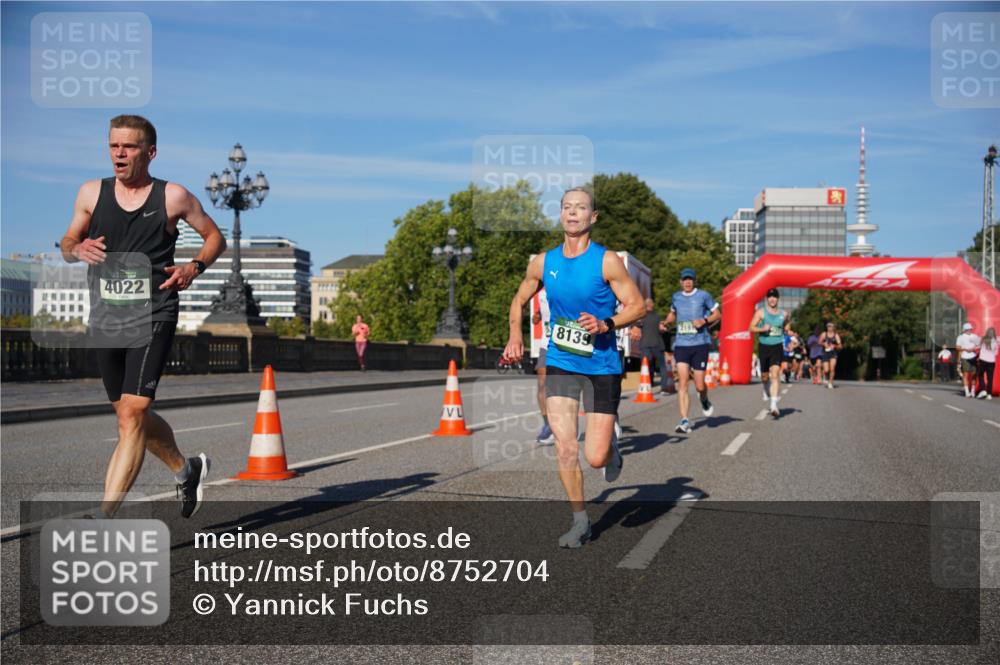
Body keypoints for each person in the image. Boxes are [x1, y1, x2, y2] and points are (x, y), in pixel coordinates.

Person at [60, 115, 224, 519]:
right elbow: (67, 240)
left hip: (155, 311)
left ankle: (104, 517)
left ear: (149, 152)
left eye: (129, 146)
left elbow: (214, 237)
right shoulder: (90, 193)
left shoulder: (173, 197)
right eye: (114, 145)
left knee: (133, 413)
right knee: (128, 413)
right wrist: (76, 249)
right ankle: (187, 470)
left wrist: (193, 267)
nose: (119, 153)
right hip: (106, 316)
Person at [503, 187, 644, 548]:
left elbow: (637, 306)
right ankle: (580, 520)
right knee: (565, 447)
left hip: (602, 364)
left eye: (581, 208)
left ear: (593, 217)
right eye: (567, 207)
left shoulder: (607, 261)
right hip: (563, 361)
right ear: (561, 215)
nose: (573, 213)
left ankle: (611, 447)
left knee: (595, 457)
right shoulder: (543, 262)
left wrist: (607, 324)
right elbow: (519, 299)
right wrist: (514, 336)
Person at [665, 268, 721, 433]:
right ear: (681, 282)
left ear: (694, 281)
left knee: (699, 385)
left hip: (700, 344)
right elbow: (672, 314)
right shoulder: (676, 297)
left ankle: (704, 399)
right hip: (681, 344)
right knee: (682, 383)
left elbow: (717, 314)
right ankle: (684, 420)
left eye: (690, 279)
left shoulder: (703, 295)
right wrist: (666, 322)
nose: (687, 282)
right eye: (685, 279)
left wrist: (704, 320)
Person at [749, 288, 787, 417]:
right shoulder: (761, 313)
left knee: (775, 375)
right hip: (764, 347)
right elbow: (751, 327)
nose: (772, 299)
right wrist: (762, 328)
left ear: (777, 299)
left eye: (774, 297)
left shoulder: (784, 314)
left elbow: (787, 324)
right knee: (765, 377)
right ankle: (765, 389)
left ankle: (773, 405)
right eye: (770, 297)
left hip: (777, 346)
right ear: (767, 299)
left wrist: (788, 330)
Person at [532, 289, 554, 443]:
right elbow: (541, 312)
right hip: (547, 343)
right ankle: (548, 425)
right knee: (542, 383)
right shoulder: (541, 291)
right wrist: (537, 316)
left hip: (567, 344)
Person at [637, 298, 671, 394]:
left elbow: (637, 327)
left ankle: (648, 384)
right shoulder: (658, 317)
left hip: (645, 344)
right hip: (657, 344)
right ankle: (664, 388)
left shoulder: (641, 317)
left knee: (646, 366)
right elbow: (662, 329)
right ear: (653, 305)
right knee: (662, 366)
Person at [956, 322, 981, 398]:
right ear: (964, 330)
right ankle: (967, 392)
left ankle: (972, 391)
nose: (969, 330)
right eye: (967, 329)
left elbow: (979, 346)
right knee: (966, 375)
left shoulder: (975, 336)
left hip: (973, 357)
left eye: (970, 329)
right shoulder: (960, 337)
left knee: (974, 374)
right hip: (965, 357)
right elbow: (957, 347)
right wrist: (965, 349)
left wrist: (974, 349)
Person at [819, 322, 843, 389]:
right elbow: (819, 342)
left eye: (831, 326)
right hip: (825, 353)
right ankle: (826, 377)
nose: (829, 328)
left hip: (833, 353)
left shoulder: (836, 335)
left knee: (832, 368)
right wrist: (824, 344)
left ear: (833, 328)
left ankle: (830, 382)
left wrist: (835, 346)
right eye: (828, 326)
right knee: (826, 370)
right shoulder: (824, 334)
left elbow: (840, 346)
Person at [976, 327, 997, 399]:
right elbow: (996, 353)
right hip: (992, 361)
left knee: (980, 374)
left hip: (983, 360)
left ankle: (983, 389)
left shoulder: (982, 339)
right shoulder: (996, 340)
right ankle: (989, 394)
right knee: (990, 378)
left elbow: (977, 345)